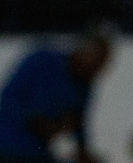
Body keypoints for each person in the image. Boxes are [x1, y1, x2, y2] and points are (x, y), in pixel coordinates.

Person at [0, 34, 110, 163]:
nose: (92, 67)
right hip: (11, 144)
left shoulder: (83, 84)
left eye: (99, 64)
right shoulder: (44, 60)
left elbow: (77, 122)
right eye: (91, 57)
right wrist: (39, 122)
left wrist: (82, 151)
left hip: (38, 152)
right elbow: (10, 99)